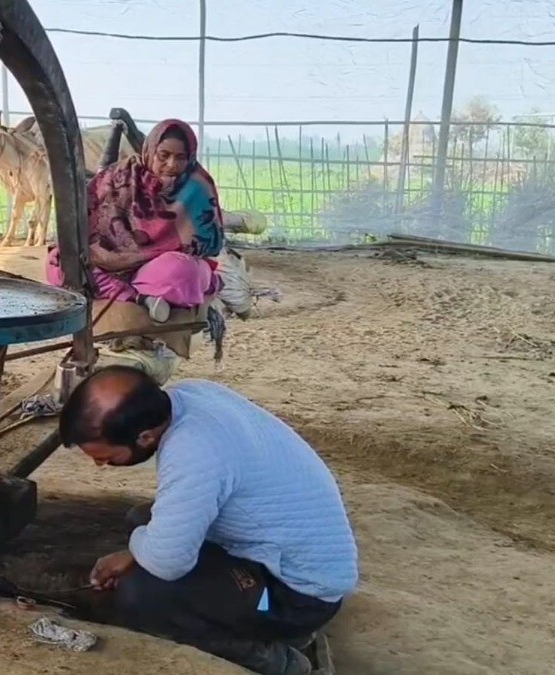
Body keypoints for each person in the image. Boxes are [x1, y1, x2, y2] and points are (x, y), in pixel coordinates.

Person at [58, 367, 358, 675]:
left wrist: (134, 549)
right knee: (145, 520)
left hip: (294, 599)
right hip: (287, 559)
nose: (98, 465)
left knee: (141, 592)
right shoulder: (190, 396)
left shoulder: (194, 449)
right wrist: (141, 545)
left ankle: (280, 660)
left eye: (106, 457)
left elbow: (167, 562)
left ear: (145, 436)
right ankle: (280, 630)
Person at [46, 118, 226, 322]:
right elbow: (86, 214)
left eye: (180, 158)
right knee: (60, 260)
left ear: (190, 157)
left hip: (156, 271)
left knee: (186, 270)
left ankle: (127, 294)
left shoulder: (197, 187)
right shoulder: (120, 174)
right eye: (164, 156)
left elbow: (210, 245)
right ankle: (138, 297)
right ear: (150, 151)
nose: (171, 165)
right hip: (107, 263)